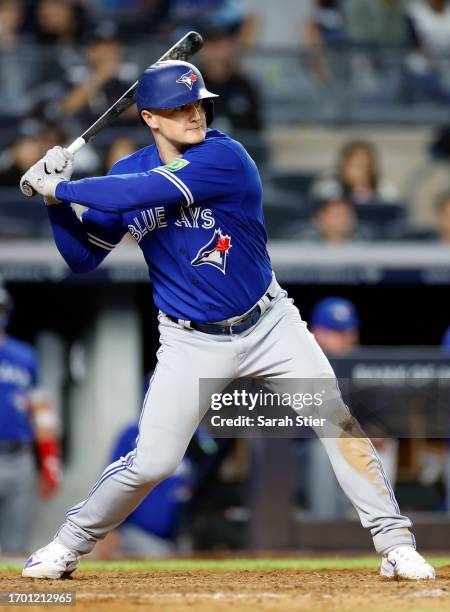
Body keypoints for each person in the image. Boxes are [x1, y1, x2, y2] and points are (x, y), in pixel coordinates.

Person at [20, 60, 434, 580]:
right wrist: (55, 203)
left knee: (338, 423)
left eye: (199, 103)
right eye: (180, 107)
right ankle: (67, 545)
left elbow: (140, 193)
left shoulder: (225, 157)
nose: (195, 114)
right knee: (151, 461)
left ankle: (395, 543)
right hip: (189, 341)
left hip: (269, 325)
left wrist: (64, 189)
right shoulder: (126, 172)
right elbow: (82, 259)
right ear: (149, 117)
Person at [307, 297, 399, 519]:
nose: (347, 338)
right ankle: (324, 526)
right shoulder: (303, 361)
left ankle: (377, 522)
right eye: (337, 332)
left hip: (352, 442)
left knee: (384, 445)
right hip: (307, 447)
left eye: (349, 332)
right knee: (323, 448)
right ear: (317, 332)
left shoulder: (360, 367)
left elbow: (380, 414)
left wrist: (375, 431)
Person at [0, 286, 61, 554]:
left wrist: (49, 457)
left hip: (18, 456)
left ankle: (11, 598)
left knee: (15, 546)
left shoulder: (24, 356)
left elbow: (41, 410)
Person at [311, 140, 400, 207]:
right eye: (357, 166)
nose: (362, 173)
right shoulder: (328, 187)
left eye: (367, 166)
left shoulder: (384, 188)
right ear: (343, 166)